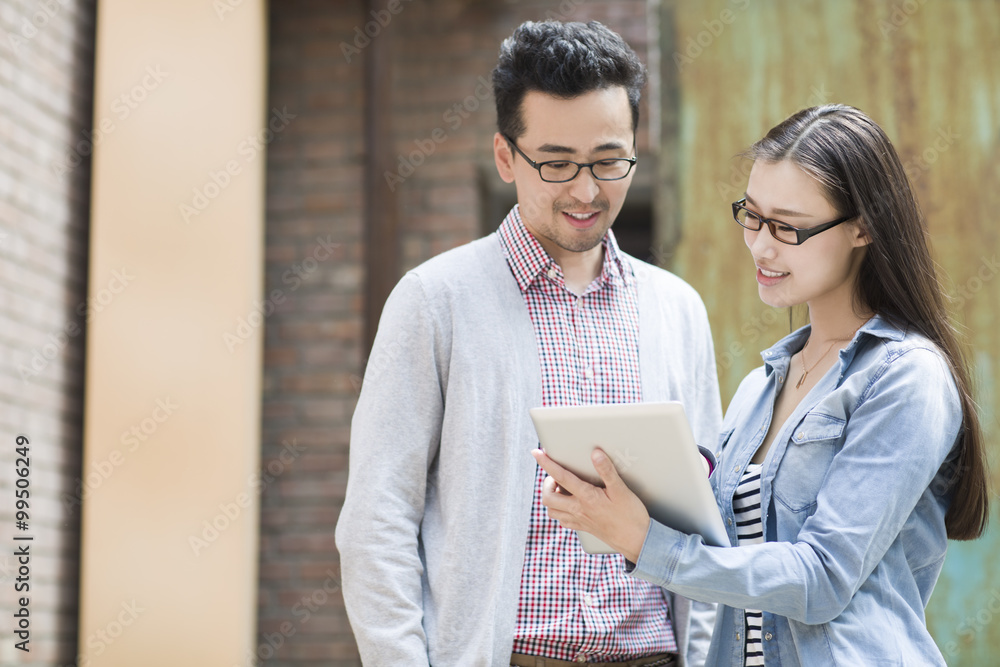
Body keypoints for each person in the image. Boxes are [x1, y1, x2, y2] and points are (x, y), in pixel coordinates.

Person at [532, 104, 991, 666]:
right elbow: (730, 563)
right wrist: (626, 495)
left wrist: (648, 545)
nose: (761, 246)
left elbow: (820, 579)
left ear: (863, 226)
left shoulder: (905, 378)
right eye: (752, 217)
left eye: (787, 227)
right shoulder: (760, 386)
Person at [335, 20, 723, 667]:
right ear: (504, 155)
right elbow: (377, 520)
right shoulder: (436, 301)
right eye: (556, 163)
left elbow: (706, 520)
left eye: (608, 161)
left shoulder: (676, 309)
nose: (585, 190)